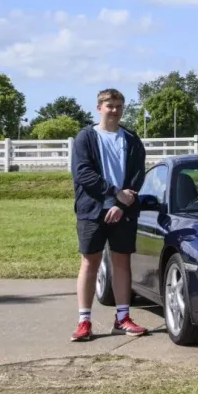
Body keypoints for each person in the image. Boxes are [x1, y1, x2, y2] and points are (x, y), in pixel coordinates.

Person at [69, 88, 148, 341]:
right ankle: (84, 321)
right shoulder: (86, 137)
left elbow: (138, 175)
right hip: (91, 210)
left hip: (122, 211)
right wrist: (114, 193)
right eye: (109, 105)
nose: (114, 110)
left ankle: (122, 318)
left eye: (118, 106)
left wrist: (121, 205)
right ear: (99, 108)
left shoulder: (132, 140)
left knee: (121, 262)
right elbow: (83, 173)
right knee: (89, 262)